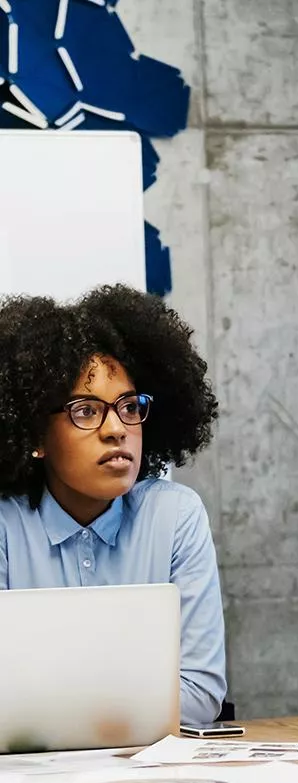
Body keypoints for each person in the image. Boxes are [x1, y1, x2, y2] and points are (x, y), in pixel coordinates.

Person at [0, 284, 225, 725]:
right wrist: (130, 705)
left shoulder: (175, 517)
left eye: (127, 406)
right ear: (35, 438)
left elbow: (199, 693)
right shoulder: (6, 527)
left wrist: (50, 707)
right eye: (86, 411)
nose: (116, 429)